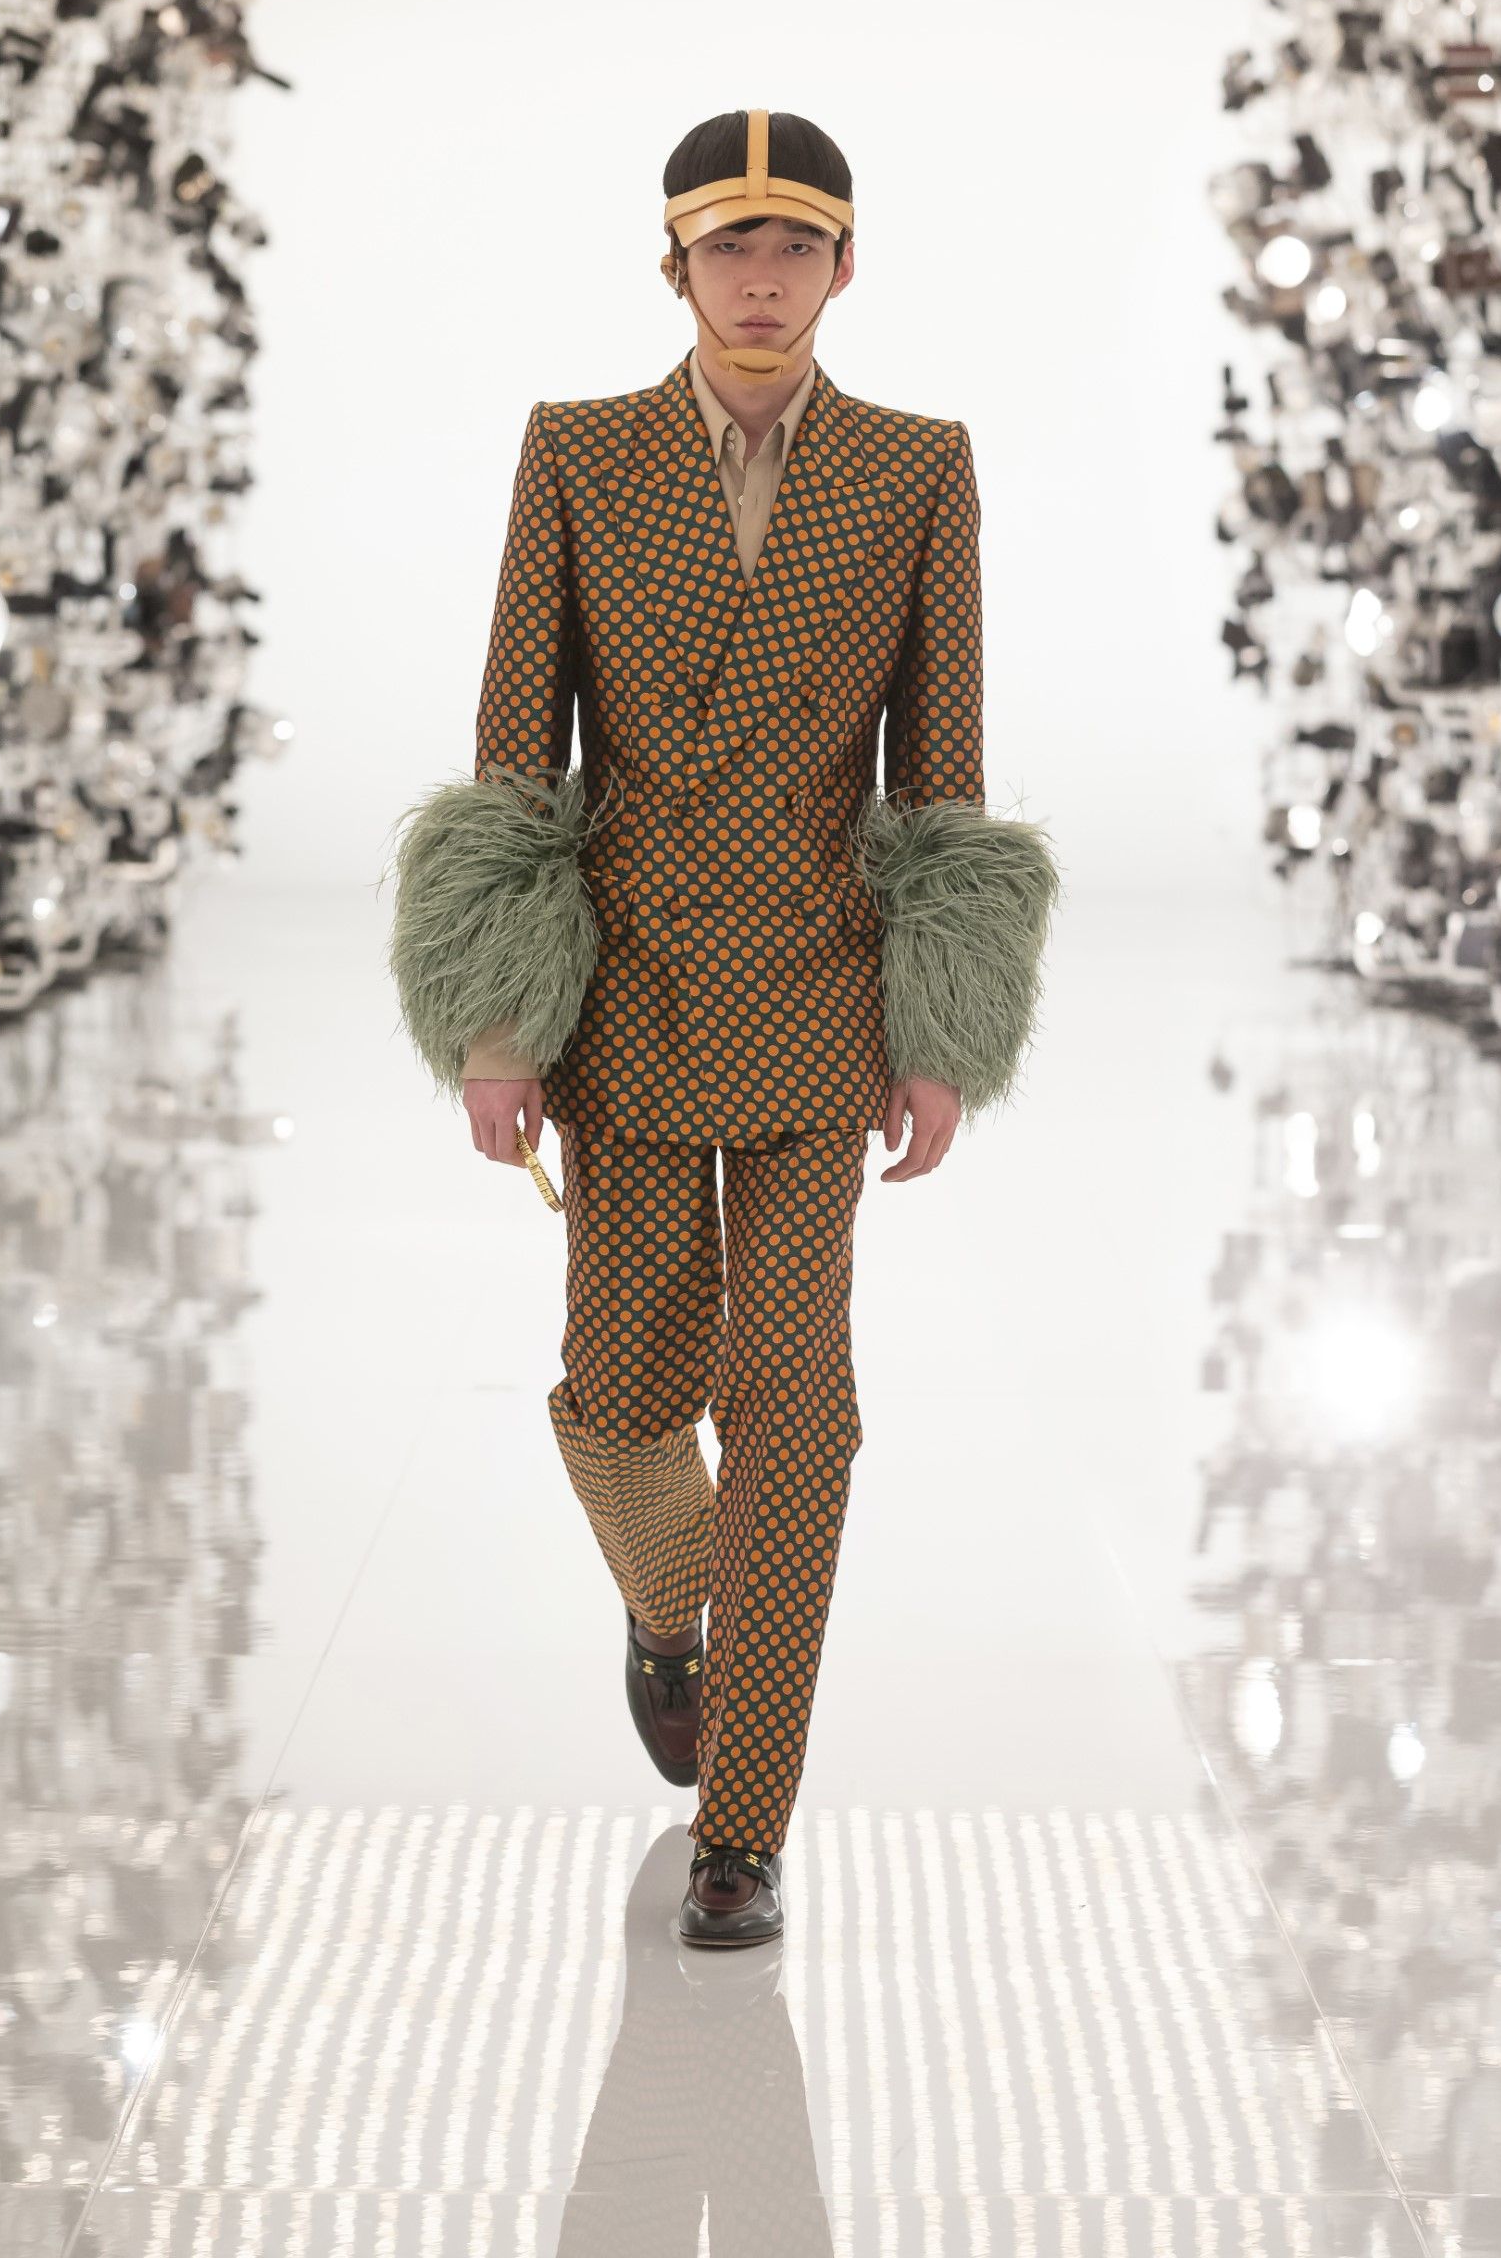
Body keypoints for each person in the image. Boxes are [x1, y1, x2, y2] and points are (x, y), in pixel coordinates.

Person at [386, 108, 1061, 1949]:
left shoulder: (919, 465)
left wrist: (939, 1028)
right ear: (672, 264)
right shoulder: (578, 450)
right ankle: (670, 1612)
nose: (761, 280)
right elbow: (517, 751)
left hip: (819, 991)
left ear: (847, 265)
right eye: (727, 246)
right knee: (620, 1400)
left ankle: (742, 1829)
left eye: (795, 246)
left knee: (797, 1414)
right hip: (625, 991)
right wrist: (499, 1022)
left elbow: (942, 767)